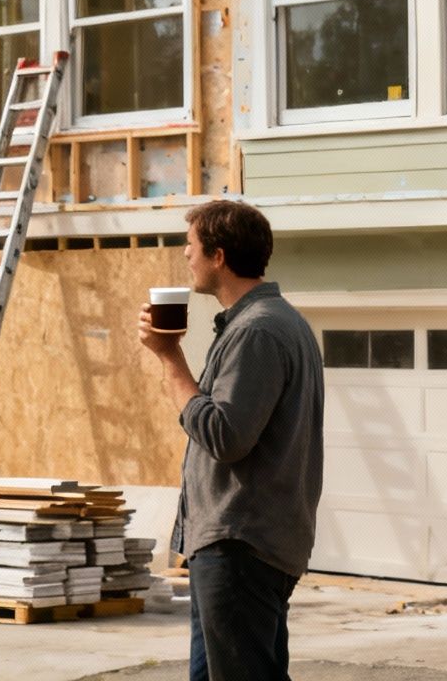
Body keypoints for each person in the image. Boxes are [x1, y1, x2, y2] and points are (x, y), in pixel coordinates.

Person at [136, 199, 323, 681]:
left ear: (218, 256)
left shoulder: (257, 331)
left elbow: (225, 434)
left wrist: (169, 358)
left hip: (240, 543)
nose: (184, 255)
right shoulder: (273, 323)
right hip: (246, 543)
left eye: (191, 245)